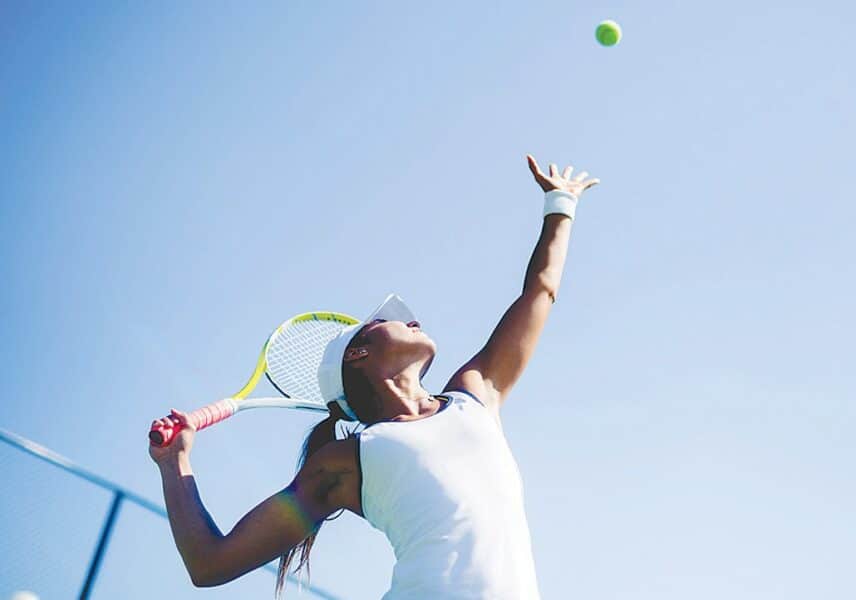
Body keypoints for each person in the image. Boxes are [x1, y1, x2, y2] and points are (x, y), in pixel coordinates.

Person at [149, 154, 600, 598]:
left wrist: (560, 205)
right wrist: (175, 463)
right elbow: (209, 564)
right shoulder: (343, 461)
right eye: (387, 318)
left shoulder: (475, 393)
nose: (411, 318)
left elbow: (540, 291)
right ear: (358, 353)